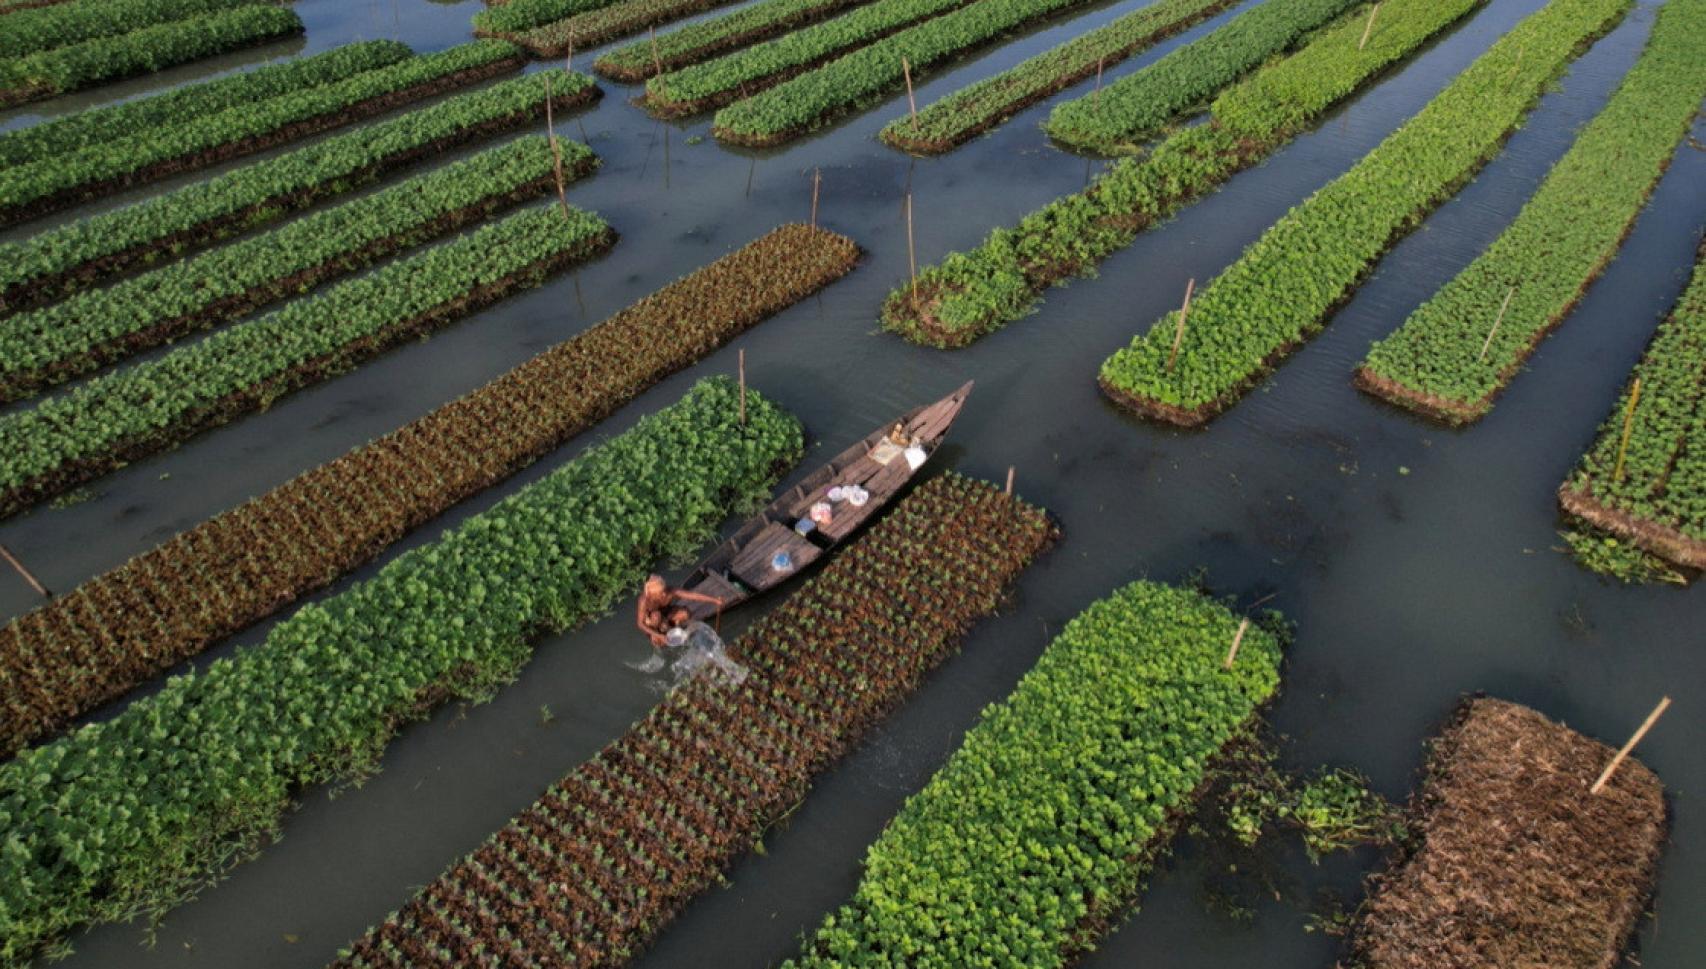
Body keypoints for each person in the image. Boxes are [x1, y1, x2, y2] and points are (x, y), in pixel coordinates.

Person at [636, 574, 727, 649]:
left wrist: (715, 600)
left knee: (685, 614)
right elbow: (640, 624)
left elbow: (692, 595)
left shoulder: (670, 591)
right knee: (657, 616)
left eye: (663, 590)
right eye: (660, 593)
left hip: (666, 615)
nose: (664, 594)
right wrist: (658, 635)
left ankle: (670, 627)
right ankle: (657, 635)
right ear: (651, 595)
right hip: (653, 622)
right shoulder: (644, 601)